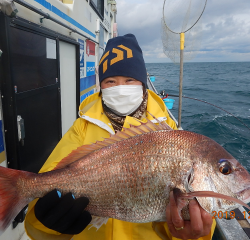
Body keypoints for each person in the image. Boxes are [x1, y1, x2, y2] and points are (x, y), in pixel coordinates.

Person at [24, 34, 216, 240]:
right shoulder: (82, 127)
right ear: (101, 86)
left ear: (142, 84)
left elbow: (200, 218)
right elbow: (45, 186)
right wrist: (45, 223)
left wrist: (192, 232)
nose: (120, 87)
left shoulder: (170, 136)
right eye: (110, 81)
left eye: (129, 80)